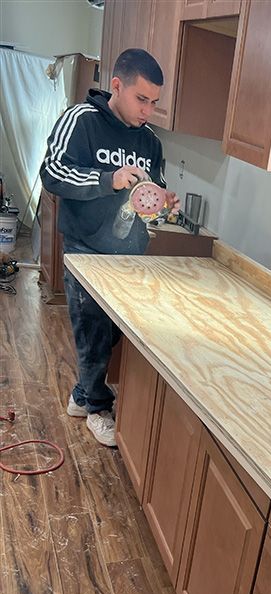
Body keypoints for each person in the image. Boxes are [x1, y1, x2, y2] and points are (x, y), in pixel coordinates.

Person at [40, 48, 179, 447]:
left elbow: (147, 203)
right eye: (142, 99)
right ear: (117, 86)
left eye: (154, 102)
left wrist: (163, 205)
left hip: (129, 256)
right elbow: (52, 173)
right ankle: (98, 408)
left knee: (114, 336)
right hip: (85, 251)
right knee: (92, 333)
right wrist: (109, 179)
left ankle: (82, 397)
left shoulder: (150, 141)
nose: (148, 110)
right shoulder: (81, 120)